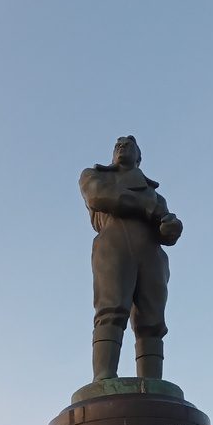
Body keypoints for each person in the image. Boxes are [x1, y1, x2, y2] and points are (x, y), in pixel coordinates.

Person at [79, 136, 183, 381]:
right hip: (114, 247)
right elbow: (99, 196)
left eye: (129, 144)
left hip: (151, 255)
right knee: (111, 310)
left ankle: (152, 384)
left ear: (139, 157)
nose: (122, 146)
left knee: (152, 322)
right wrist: (146, 207)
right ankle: (104, 378)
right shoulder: (95, 176)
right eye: (118, 144)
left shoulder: (155, 195)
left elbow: (164, 230)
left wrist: (171, 227)